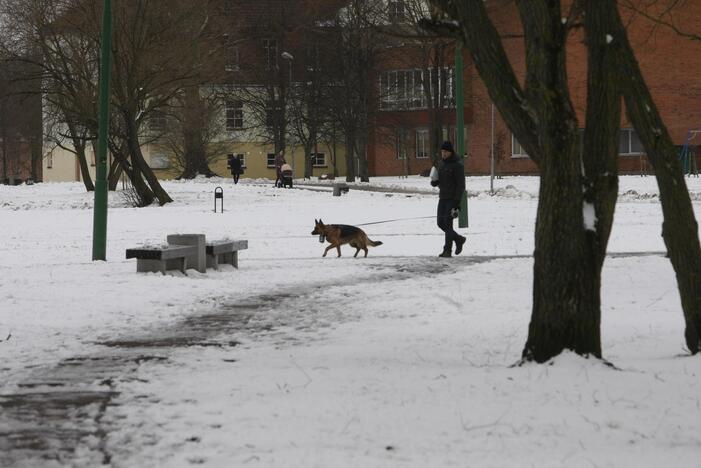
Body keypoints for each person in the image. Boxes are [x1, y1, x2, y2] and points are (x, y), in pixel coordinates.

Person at [430, 141, 466, 258]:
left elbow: (461, 185)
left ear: (450, 152)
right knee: (440, 223)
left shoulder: (458, 165)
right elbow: (439, 181)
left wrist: (456, 203)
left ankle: (447, 250)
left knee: (448, 224)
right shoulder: (442, 164)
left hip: (452, 199)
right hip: (443, 197)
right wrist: (434, 182)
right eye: (442, 152)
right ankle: (459, 239)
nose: (443, 154)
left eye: (445, 152)